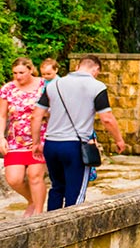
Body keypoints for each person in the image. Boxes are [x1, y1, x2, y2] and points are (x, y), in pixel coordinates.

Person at [32, 55, 126, 210]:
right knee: (75, 193)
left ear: (77, 67)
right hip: (75, 147)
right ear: (96, 69)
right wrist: (119, 140)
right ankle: (71, 232)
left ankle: (50, 228)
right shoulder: (97, 86)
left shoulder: (53, 85)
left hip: (51, 145)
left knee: (56, 188)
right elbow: (107, 118)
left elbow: (36, 116)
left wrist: (36, 143)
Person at [1, 58, 47, 215]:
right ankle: (32, 200)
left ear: (31, 70)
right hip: (16, 140)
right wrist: (1, 137)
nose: (18, 76)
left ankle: (39, 215)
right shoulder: (8, 89)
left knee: (34, 176)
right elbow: (2, 116)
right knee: (14, 179)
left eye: (21, 72)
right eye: (15, 73)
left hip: (39, 138)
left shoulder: (44, 85)